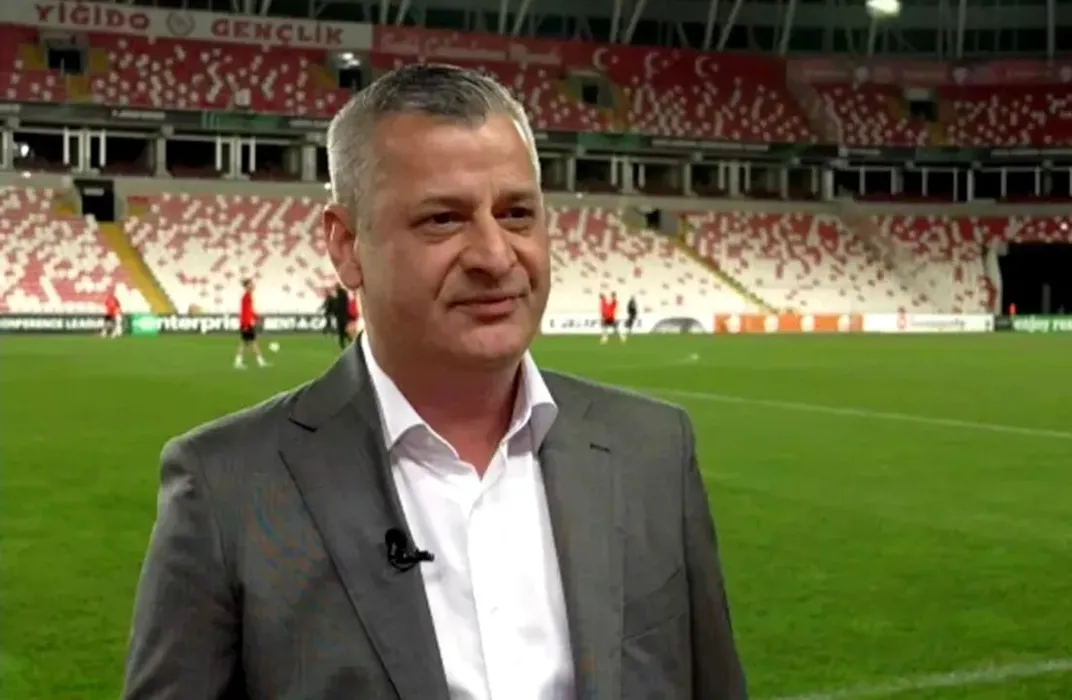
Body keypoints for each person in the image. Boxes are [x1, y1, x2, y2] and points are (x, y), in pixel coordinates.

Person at [122, 64, 747, 700]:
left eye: (517, 213)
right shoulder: (226, 488)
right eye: (443, 219)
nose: (495, 256)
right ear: (346, 246)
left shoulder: (654, 450)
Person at [233, 278, 267, 369]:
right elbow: (246, 312)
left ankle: (239, 362)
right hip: (246, 324)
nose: (252, 285)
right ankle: (260, 362)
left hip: (246, 323)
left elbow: (249, 310)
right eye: (250, 284)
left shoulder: (248, 296)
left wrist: (257, 317)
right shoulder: (246, 296)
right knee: (251, 343)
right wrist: (246, 323)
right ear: (247, 286)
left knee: (246, 343)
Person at [331, 283, 351, 348]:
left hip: (340, 315)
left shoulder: (338, 296)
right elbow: (346, 304)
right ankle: (349, 341)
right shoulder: (344, 294)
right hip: (344, 314)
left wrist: (334, 312)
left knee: (340, 330)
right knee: (344, 330)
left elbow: (337, 306)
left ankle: (342, 344)